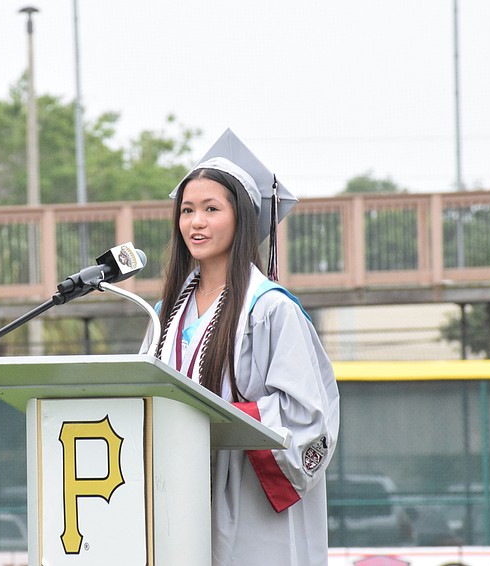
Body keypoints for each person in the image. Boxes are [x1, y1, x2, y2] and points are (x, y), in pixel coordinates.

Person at [140, 129, 340, 566]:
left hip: (247, 491)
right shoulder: (165, 314)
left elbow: (306, 417)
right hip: (178, 491)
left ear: (243, 218)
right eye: (188, 210)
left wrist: (215, 420)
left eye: (212, 209)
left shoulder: (270, 310)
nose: (196, 222)